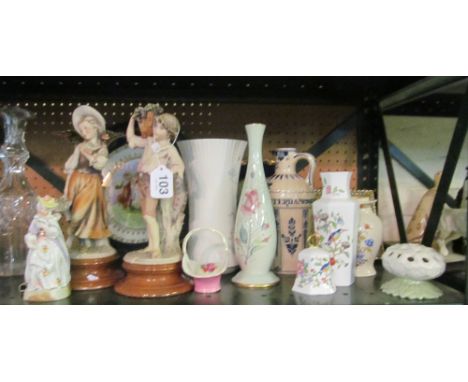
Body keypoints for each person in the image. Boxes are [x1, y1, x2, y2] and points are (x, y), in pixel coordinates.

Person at [126, 105, 187, 259]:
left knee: (149, 214)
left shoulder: (169, 149)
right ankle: (152, 245)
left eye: (161, 127)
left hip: (155, 182)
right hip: (143, 181)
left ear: (170, 133)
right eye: (155, 125)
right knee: (146, 214)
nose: (156, 129)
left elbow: (179, 165)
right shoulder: (149, 141)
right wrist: (131, 121)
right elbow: (132, 140)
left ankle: (156, 248)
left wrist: (167, 173)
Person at [64, 105, 113, 255]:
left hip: (93, 183)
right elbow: (70, 165)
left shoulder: (102, 147)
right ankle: (73, 239)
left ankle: (90, 241)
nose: (84, 132)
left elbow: (102, 163)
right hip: (78, 181)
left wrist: (92, 157)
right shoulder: (80, 146)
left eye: (87, 128)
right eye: (82, 130)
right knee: (77, 213)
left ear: (96, 128)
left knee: (94, 213)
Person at [24, 196, 71, 296]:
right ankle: (37, 284)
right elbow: (31, 232)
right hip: (39, 244)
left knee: (54, 259)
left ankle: (53, 283)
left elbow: (55, 233)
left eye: (44, 208)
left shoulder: (52, 220)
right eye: (40, 208)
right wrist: (32, 239)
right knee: (36, 261)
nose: (42, 210)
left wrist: (46, 229)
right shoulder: (36, 220)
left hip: (50, 245)